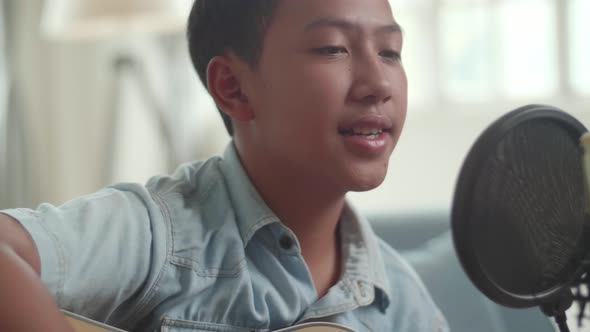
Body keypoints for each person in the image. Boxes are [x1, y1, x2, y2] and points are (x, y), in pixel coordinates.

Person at [0, 0, 449, 331]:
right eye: (332, 48)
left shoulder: (402, 304)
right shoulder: (158, 236)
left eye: (390, 52)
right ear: (233, 87)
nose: (378, 83)